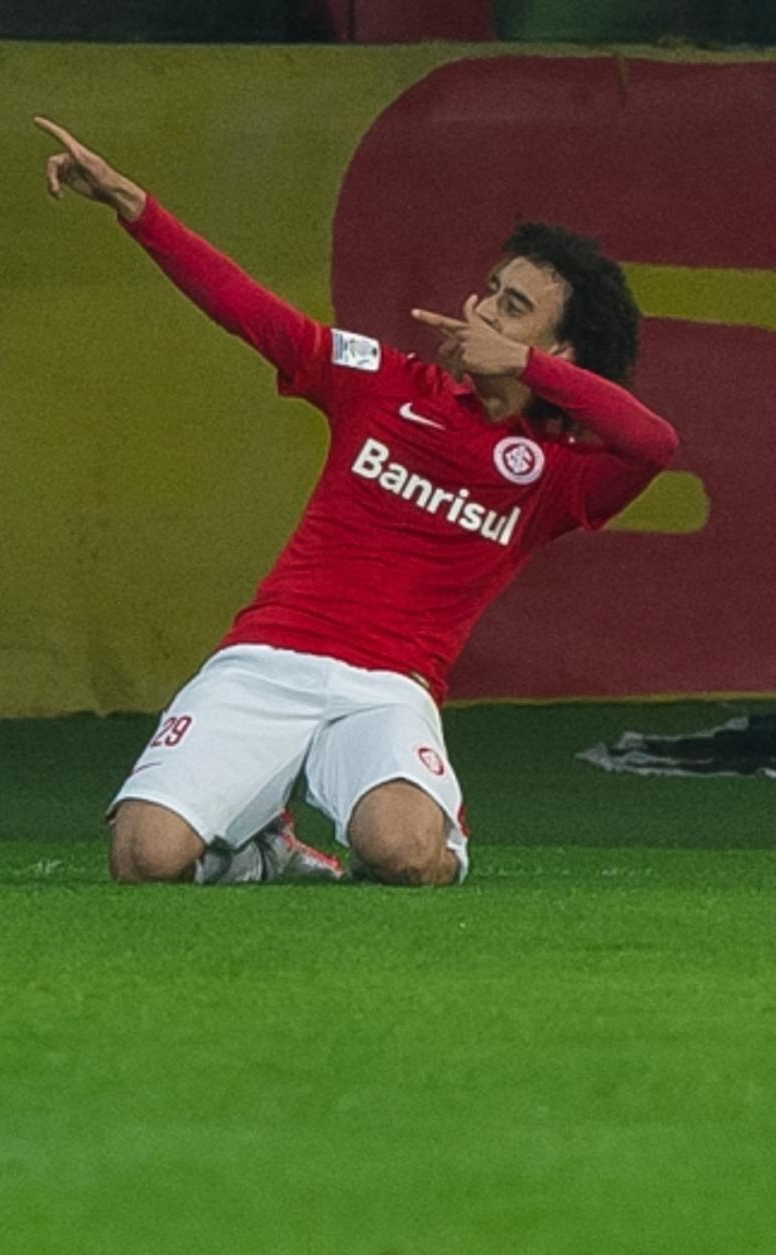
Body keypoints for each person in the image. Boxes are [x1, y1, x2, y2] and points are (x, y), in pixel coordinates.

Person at [35, 116, 678, 887]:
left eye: (513, 308)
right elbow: (252, 312)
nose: (482, 308)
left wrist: (526, 368)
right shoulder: (385, 381)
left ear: (559, 351)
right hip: (270, 657)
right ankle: (258, 842)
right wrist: (135, 207)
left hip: (389, 687)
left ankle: (429, 819)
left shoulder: (555, 473)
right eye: (491, 291)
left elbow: (655, 445)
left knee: (405, 854)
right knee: (144, 857)